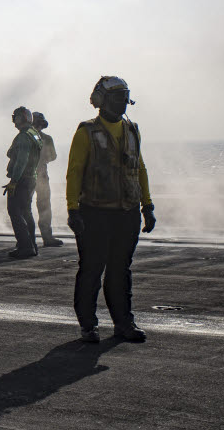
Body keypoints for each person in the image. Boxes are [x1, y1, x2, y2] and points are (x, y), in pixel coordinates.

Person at [66, 76, 156, 344]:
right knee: (92, 269)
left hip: (126, 213)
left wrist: (147, 206)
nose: (122, 102)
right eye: (117, 97)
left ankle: (124, 324)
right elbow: (75, 172)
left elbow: (139, 169)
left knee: (121, 271)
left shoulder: (132, 130)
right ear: (100, 100)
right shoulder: (86, 132)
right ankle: (88, 326)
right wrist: (73, 210)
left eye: (124, 96)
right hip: (94, 213)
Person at [4, 106, 43, 259]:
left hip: (21, 179)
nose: (14, 122)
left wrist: (13, 181)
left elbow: (21, 160)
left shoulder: (23, 137)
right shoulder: (34, 134)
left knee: (14, 211)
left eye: (16, 118)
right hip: (31, 178)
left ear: (23, 118)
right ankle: (31, 245)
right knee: (27, 212)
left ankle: (25, 246)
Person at [31, 112, 64, 247]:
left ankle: (27, 240)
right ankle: (47, 237)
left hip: (28, 174)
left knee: (25, 207)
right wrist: (43, 159)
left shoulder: (27, 137)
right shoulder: (47, 139)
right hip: (41, 174)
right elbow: (53, 156)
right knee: (44, 206)